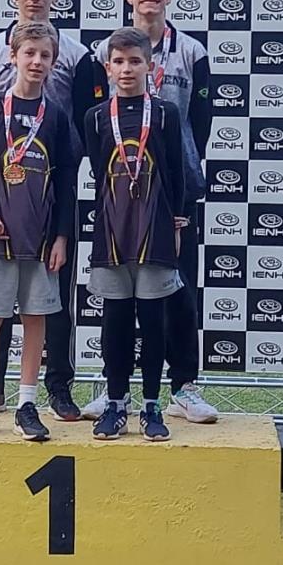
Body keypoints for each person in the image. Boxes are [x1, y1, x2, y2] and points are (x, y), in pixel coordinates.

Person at [0, 0, 97, 423]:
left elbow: (83, 126)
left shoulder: (77, 53)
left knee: (51, 300)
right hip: (0, 194)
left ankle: (56, 388)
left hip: (50, 192)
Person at [83, 0, 217, 424]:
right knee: (118, 300)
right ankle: (114, 390)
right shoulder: (104, 50)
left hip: (172, 194)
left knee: (176, 291)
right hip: (122, 196)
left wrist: (178, 193)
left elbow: (200, 125)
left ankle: (183, 387)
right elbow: (95, 119)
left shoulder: (191, 51)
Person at [0, 22, 76, 441]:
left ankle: (27, 402)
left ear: (54, 61)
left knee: (35, 318)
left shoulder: (57, 115)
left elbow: (66, 181)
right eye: (30, 54)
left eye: (45, 55)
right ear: (13, 56)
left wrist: (61, 237)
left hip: (40, 240)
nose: (37, 62)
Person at [82, 28, 188, 441]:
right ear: (108, 67)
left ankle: (151, 405)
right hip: (111, 231)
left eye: (135, 61)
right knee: (116, 320)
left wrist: (176, 221)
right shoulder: (94, 117)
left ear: (151, 66)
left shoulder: (165, 113)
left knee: (154, 319)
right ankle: (115, 402)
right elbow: (96, 171)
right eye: (119, 62)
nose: (127, 69)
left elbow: (176, 172)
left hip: (156, 232)